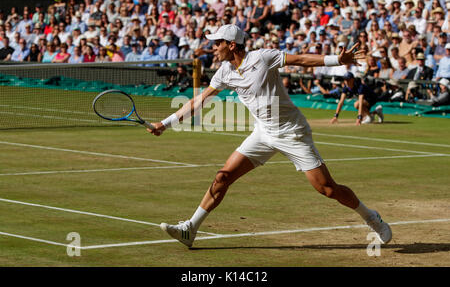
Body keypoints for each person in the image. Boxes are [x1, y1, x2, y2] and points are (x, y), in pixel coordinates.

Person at [147, 24, 392, 248]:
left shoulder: (263, 57)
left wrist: (336, 59)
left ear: (232, 45)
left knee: (328, 189)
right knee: (223, 177)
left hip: (292, 132)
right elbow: (198, 101)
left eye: (217, 43)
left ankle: (371, 217)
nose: (213, 48)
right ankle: (190, 229)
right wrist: (165, 123)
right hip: (263, 133)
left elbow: (301, 59)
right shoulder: (223, 72)